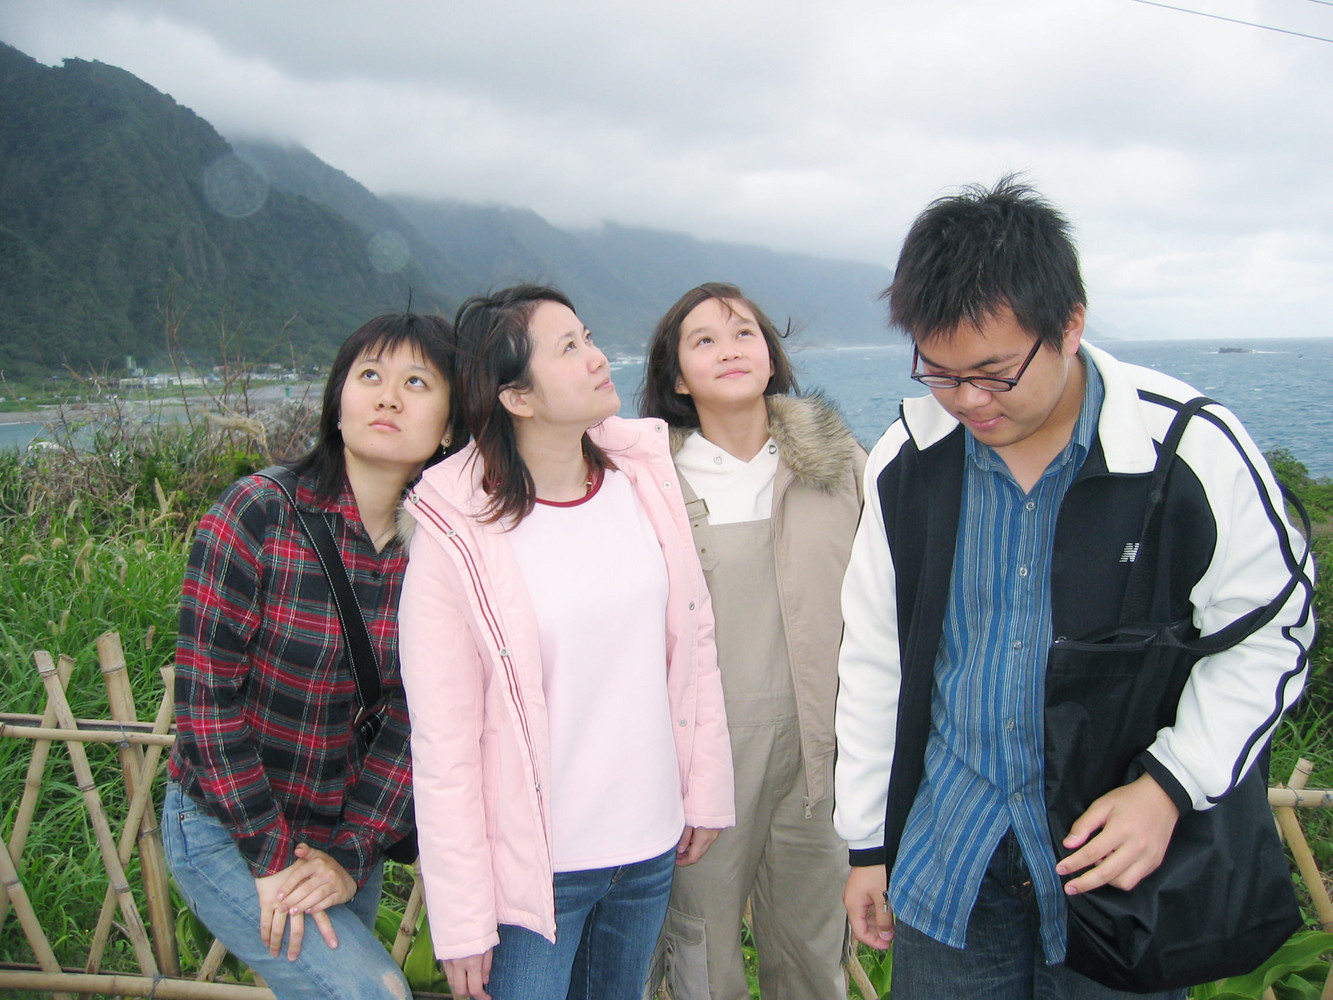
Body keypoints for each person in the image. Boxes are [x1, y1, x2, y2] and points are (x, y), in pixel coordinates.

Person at [833, 178, 1314, 999]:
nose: (967, 401)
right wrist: (868, 843)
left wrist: (1168, 786)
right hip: (949, 856)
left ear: (1069, 325)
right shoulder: (908, 461)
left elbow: (1272, 631)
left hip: (1119, 868)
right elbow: (877, 657)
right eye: (938, 372)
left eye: (994, 372)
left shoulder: (1187, 447)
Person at [397, 284, 735, 1000]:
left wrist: (702, 790)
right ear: (517, 397)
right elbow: (445, 742)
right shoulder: (455, 530)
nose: (596, 357)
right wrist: (461, 921)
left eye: (588, 337)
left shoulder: (639, 479)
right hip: (536, 873)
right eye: (569, 348)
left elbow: (692, 642)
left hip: (648, 847)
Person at [162, 313, 460, 1000]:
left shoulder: (444, 551)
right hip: (226, 829)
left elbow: (419, 719)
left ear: (449, 427)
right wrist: (271, 860)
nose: (388, 397)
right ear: (338, 401)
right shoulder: (258, 514)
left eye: (417, 383)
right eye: (369, 375)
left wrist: (350, 857)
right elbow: (205, 703)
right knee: (373, 993)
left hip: (340, 845)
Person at [638, 282, 864, 999]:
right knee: (701, 953)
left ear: (771, 357)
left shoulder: (839, 465)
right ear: (677, 377)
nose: (729, 350)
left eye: (744, 334)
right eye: (703, 340)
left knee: (811, 949)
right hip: (703, 757)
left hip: (823, 748)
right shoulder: (648, 483)